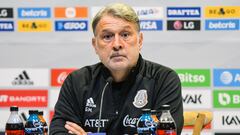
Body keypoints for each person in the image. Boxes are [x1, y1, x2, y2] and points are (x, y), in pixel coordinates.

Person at [50, 3, 183, 135]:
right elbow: (59, 131)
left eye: (125, 35)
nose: (117, 44)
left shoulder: (164, 80)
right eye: (107, 36)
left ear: (140, 41)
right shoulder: (77, 81)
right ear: (95, 45)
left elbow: (166, 133)